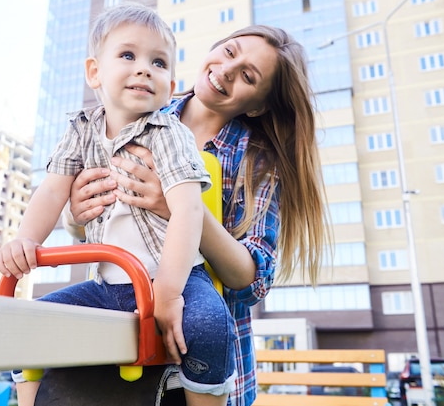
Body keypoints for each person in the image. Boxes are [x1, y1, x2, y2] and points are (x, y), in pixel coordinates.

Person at [65, 24, 331, 406]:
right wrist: (77, 214)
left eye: (247, 76)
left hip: (202, 358)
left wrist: (176, 202)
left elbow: (250, 280)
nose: (226, 70)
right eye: (229, 52)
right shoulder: (137, 112)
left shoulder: (256, 160)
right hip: (123, 336)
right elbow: (98, 224)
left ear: (257, 105)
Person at [0, 3, 238, 406]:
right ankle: (29, 399)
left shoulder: (169, 133)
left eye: (157, 62)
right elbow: (53, 191)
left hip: (174, 276)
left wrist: (169, 292)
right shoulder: (81, 129)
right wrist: (25, 240)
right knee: (26, 322)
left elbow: (189, 210)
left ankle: (205, 400)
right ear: (95, 72)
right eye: (128, 55)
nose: (144, 68)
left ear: (171, 83)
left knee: (210, 325)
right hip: (108, 286)